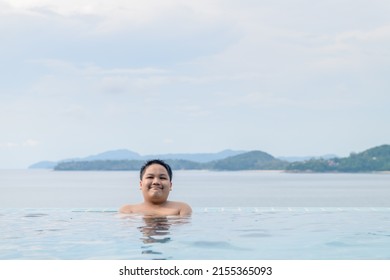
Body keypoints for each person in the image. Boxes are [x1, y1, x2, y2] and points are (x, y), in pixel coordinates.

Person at [120, 159, 192, 216]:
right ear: (141, 184)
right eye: (150, 177)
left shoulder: (181, 209)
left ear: (170, 185)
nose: (156, 182)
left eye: (162, 178)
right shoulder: (128, 210)